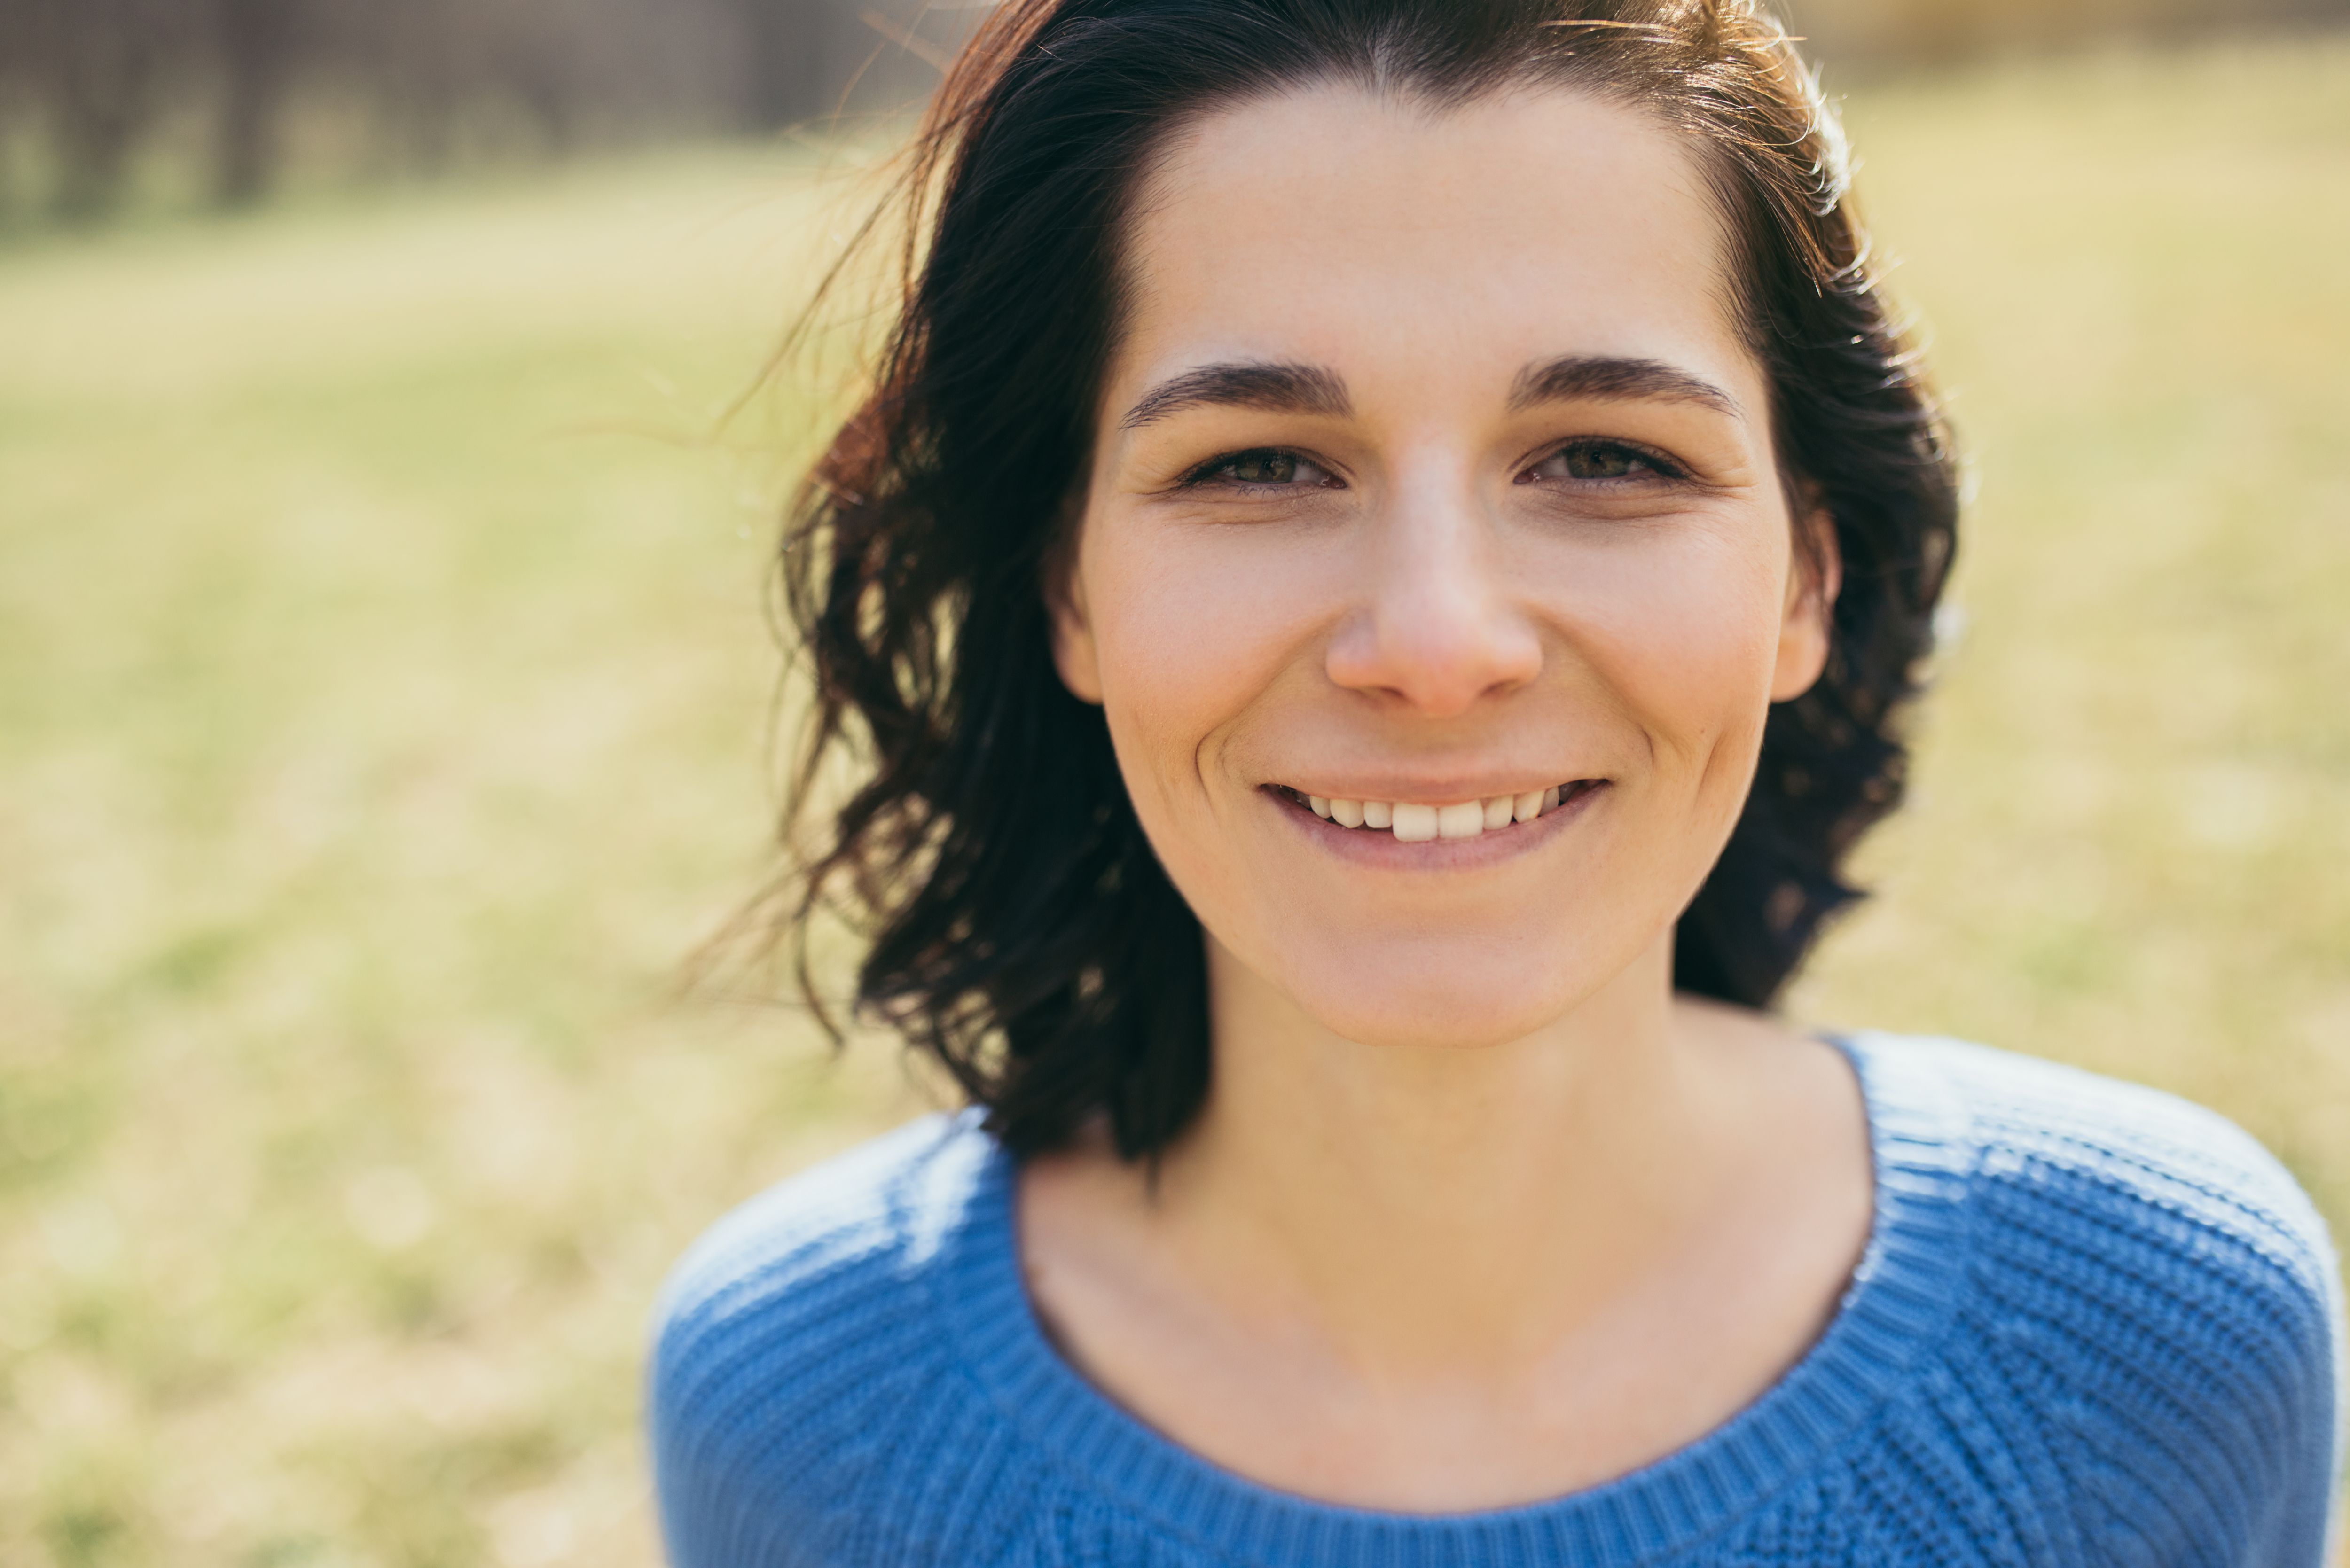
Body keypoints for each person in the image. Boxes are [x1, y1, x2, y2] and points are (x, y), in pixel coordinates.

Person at [647, 1, 2344, 1562]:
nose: (1438, 640)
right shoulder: (805, 1412)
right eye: (1256, 463)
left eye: (1608, 456)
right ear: (1069, 587)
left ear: (1808, 580)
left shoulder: (2163, 1342)